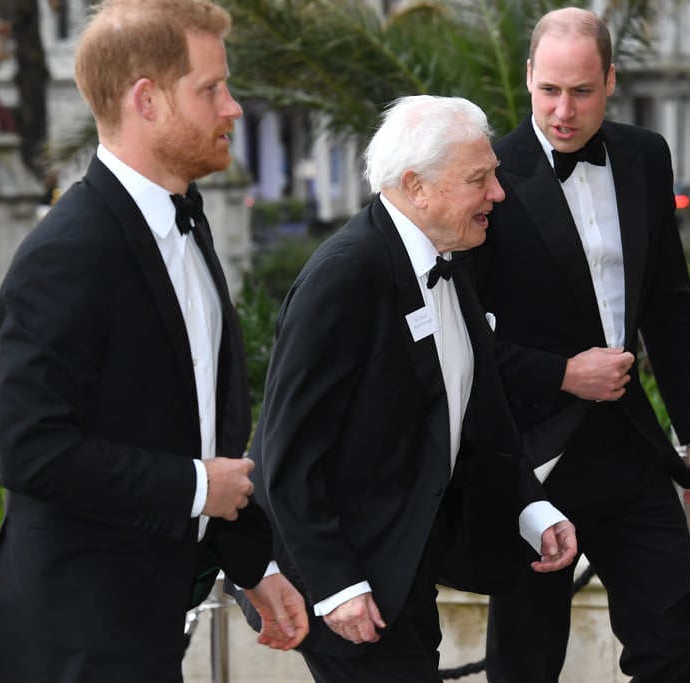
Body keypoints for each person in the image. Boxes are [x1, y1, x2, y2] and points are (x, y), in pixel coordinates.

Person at [0, 1, 309, 680]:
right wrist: (193, 485)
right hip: (72, 640)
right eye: (211, 89)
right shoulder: (64, 254)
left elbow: (200, 427)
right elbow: (32, 452)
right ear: (147, 101)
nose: (233, 107)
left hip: (149, 624)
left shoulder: (189, 220)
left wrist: (255, 566)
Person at [237, 94, 578, 683]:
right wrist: (336, 584)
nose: (498, 193)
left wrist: (531, 506)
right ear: (418, 187)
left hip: (406, 566)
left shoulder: (451, 259)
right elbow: (287, 450)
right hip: (342, 577)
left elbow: (477, 416)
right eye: (481, 178)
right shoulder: (345, 276)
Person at [478, 8, 690, 682]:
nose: (562, 110)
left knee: (675, 644)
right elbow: (466, 339)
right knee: (525, 662)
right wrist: (562, 373)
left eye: (581, 91)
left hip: (632, 449)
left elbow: (669, 305)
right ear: (528, 78)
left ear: (610, 81)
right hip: (537, 460)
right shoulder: (488, 174)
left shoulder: (645, 154)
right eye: (549, 89)